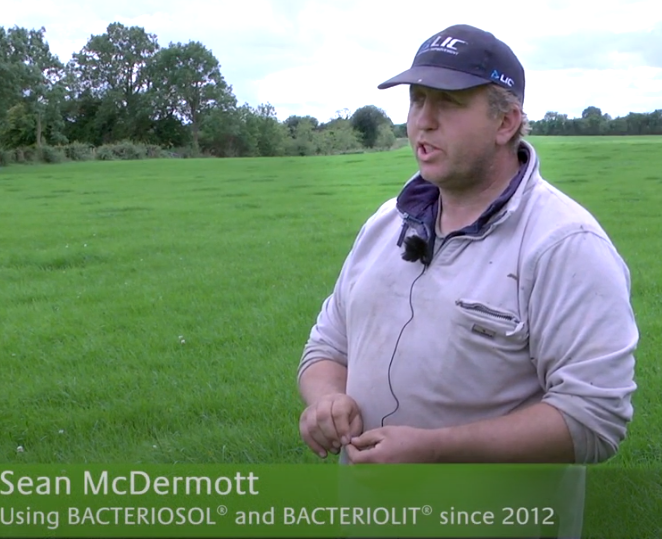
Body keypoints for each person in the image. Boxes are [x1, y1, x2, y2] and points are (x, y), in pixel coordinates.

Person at [296, 24, 638, 469]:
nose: (424, 119)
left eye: (449, 103)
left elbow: (594, 420)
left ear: (506, 121)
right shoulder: (385, 223)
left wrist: (437, 449)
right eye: (417, 99)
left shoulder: (564, 244)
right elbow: (327, 347)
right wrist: (326, 400)